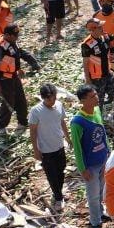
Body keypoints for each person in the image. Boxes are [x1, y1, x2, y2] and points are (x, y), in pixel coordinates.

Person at [71, 84, 109, 228]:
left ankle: (100, 213)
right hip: (90, 165)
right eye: (92, 97)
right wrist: (83, 168)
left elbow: (103, 133)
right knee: (92, 194)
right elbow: (77, 148)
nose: (97, 98)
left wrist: (108, 152)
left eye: (96, 94)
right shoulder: (77, 122)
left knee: (101, 190)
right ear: (82, 101)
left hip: (102, 159)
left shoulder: (97, 111)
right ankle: (95, 221)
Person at [29, 83, 72, 213]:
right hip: (46, 150)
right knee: (51, 174)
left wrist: (68, 138)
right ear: (43, 98)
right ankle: (58, 197)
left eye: (53, 98)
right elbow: (33, 131)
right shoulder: (36, 111)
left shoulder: (59, 105)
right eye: (49, 99)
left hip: (59, 145)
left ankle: (58, 192)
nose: (52, 101)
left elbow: (62, 122)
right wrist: (36, 150)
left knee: (61, 170)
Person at [0, 24, 39, 136]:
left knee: (21, 99)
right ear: (7, 35)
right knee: (9, 103)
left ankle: (23, 122)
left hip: (13, 76)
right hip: (4, 79)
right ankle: (0, 126)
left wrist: (19, 68)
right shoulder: (0, 47)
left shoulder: (11, 41)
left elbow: (16, 54)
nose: (16, 37)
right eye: (14, 35)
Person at [81, 17, 114, 127]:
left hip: (108, 74)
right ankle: (97, 126)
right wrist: (88, 80)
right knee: (98, 103)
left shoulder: (104, 36)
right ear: (93, 30)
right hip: (96, 79)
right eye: (100, 27)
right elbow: (85, 63)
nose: (102, 28)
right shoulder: (87, 44)